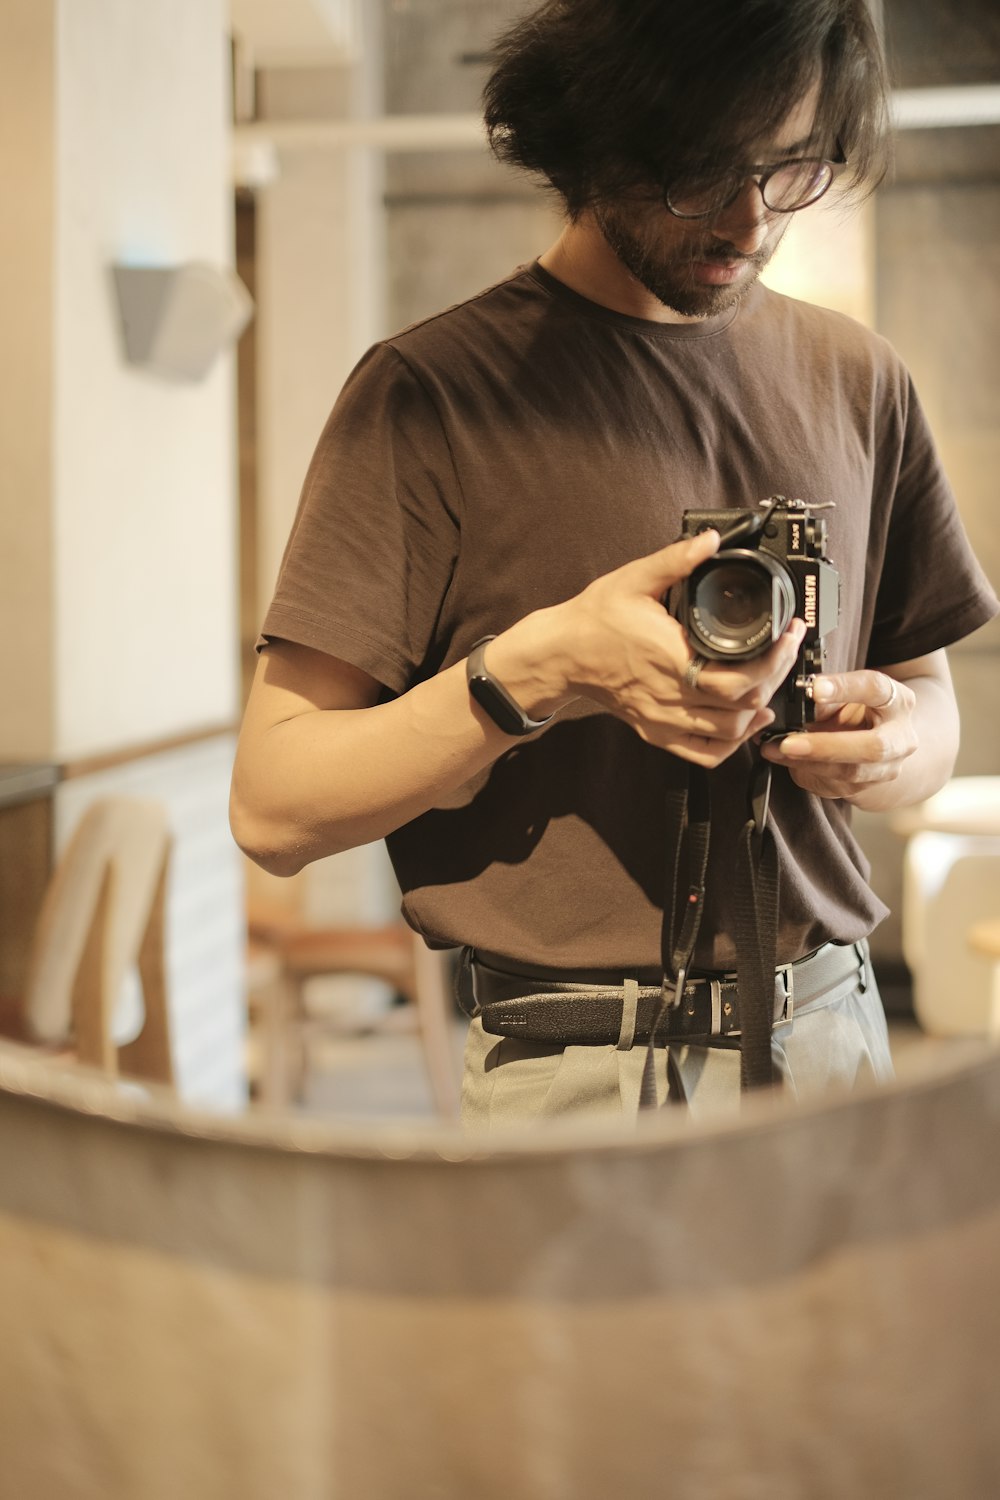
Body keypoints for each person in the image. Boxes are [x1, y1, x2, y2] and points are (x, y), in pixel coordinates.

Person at [231, 0, 998, 1127]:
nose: (748, 219)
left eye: (790, 168)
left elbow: (932, 704)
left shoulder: (857, 378)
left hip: (836, 1041)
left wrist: (893, 747)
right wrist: (533, 675)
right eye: (701, 171)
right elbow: (273, 807)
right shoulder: (432, 397)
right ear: (594, 130)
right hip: (570, 1071)